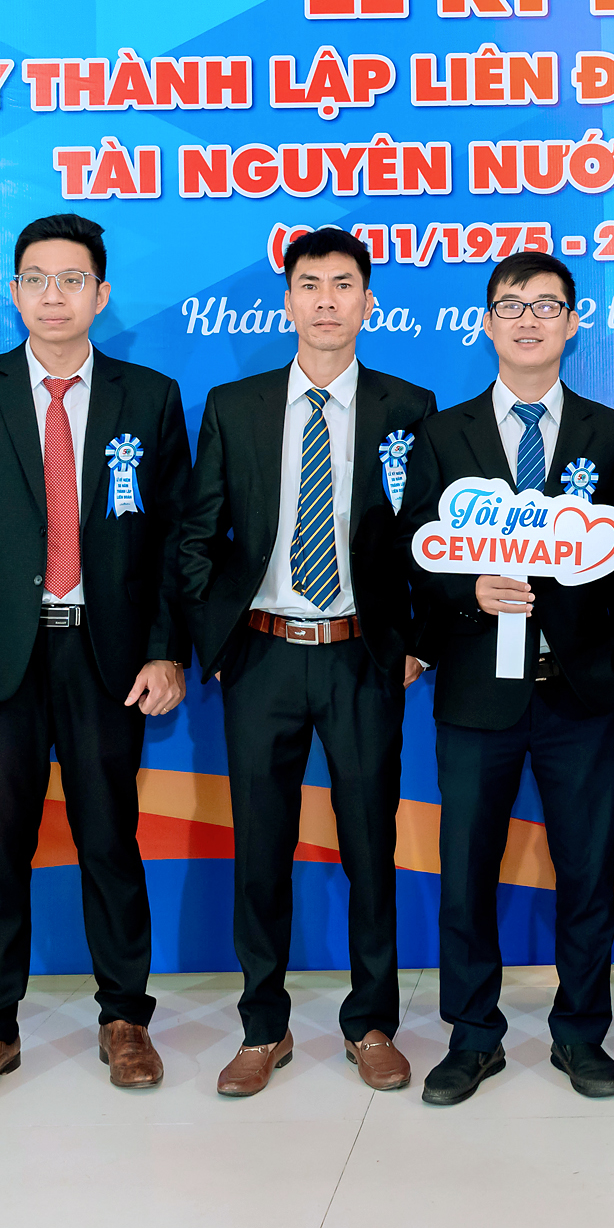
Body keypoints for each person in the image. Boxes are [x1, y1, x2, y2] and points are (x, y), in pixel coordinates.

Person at [0, 213, 193, 1109]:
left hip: (107, 656)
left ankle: (125, 1017)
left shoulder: (149, 396)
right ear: (15, 291)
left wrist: (165, 651)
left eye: (72, 280)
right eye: (36, 278)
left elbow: (172, 541)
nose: (53, 295)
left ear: (100, 295)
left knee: (111, 837)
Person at [173, 226, 436, 1098]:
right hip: (264, 655)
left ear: (368, 302)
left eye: (343, 285)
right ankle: (263, 1026)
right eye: (311, 285)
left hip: (363, 657)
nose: (327, 300)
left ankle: (372, 1023)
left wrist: (417, 641)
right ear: (287, 302)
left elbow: (430, 538)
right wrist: (218, 638)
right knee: (260, 848)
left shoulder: (411, 407)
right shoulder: (236, 405)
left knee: (371, 847)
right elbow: (197, 535)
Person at [396, 251, 614, 1104]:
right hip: (477, 691)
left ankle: (581, 1034)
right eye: (511, 305)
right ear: (487, 322)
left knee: (586, 871)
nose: (529, 320)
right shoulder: (444, 432)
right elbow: (412, 553)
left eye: (546, 305)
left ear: (573, 323)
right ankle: (473, 1036)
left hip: (580, 693)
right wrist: (467, 590)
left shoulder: (611, 432)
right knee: (466, 871)